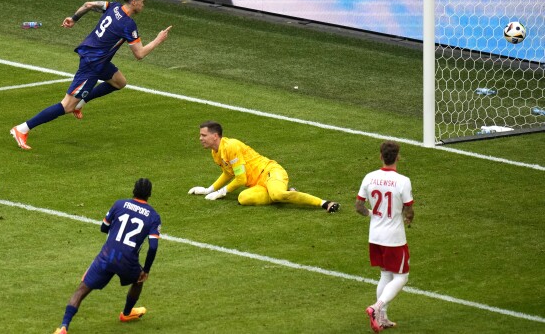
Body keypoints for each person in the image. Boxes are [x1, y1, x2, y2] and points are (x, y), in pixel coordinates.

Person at [11, 0, 172, 150]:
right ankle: (22, 128)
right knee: (67, 106)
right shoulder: (128, 25)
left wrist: (74, 18)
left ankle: (82, 102)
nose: (143, 5)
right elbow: (139, 54)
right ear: (134, 2)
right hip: (92, 64)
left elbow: (88, 5)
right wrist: (159, 40)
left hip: (97, 59)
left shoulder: (113, 6)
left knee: (119, 82)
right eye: (143, 2)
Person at [53, 178, 161, 334]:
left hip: (106, 256)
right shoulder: (153, 216)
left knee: (81, 290)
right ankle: (126, 313)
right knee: (138, 280)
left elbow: (104, 227)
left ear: (133, 191)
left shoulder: (119, 204)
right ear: (149, 194)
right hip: (128, 261)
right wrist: (146, 270)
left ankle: (63, 326)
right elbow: (153, 246)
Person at [188, 121, 340, 212]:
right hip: (258, 184)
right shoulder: (216, 152)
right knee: (243, 198)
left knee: (277, 195)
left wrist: (221, 193)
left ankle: (324, 203)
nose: (200, 138)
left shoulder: (231, 146)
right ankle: (283, 192)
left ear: (215, 136)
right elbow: (229, 173)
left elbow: (240, 179)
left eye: (203, 135)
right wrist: (209, 189)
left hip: (270, 172)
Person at [354, 141, 414, 333]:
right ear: (398, 157)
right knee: (402, 277)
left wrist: (373, 214)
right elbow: (408, 209)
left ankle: (382, 318)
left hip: (375, 235)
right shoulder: (403, 181)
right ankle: (376, 307)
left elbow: (359, 207)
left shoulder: (369, 177)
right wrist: (409, 218)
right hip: (394, 237)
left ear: (381, 156)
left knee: (385, 275)